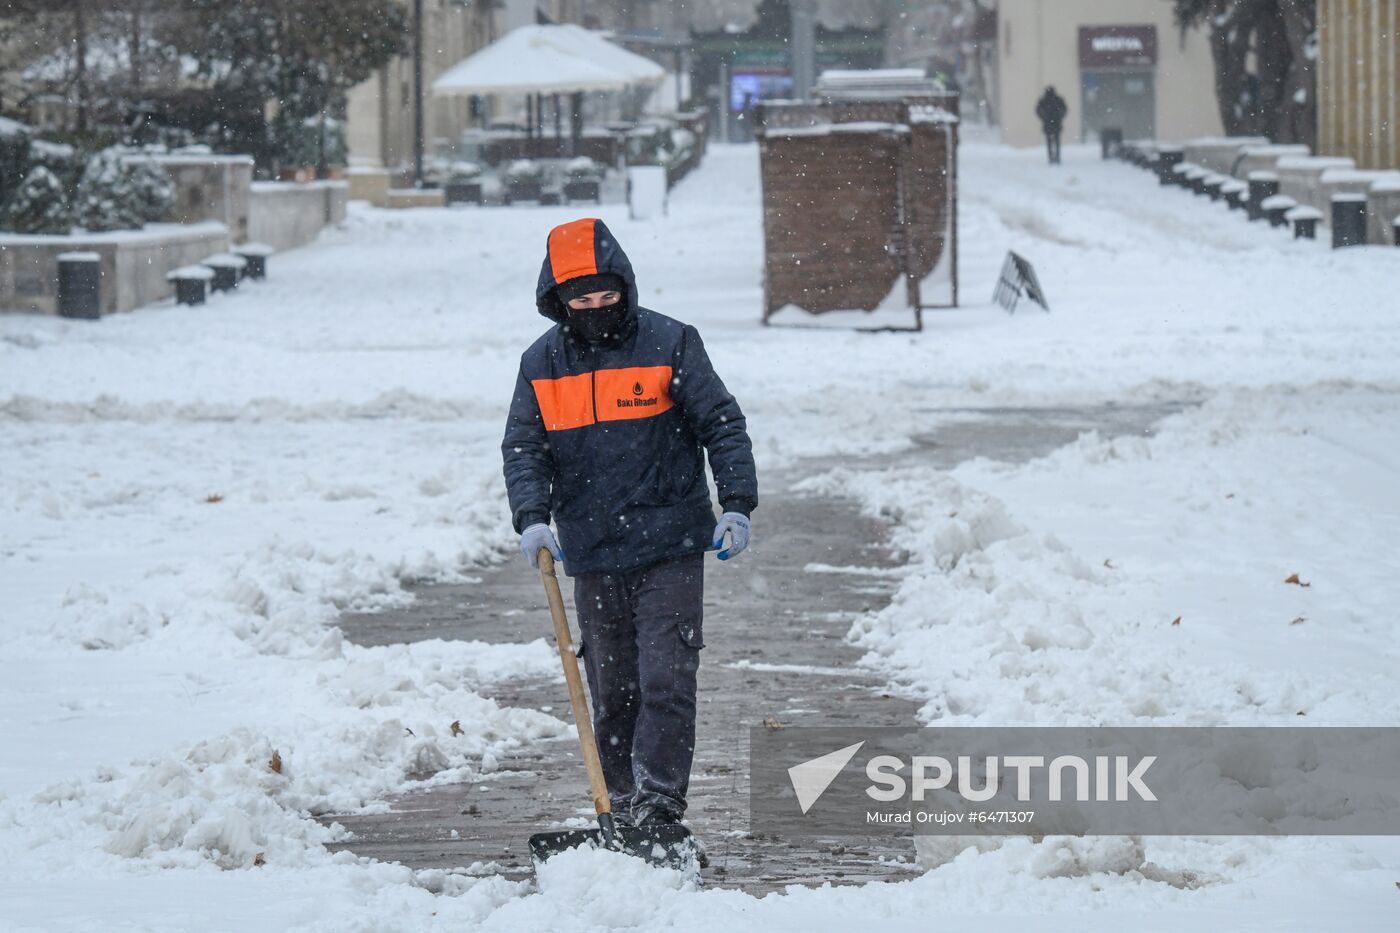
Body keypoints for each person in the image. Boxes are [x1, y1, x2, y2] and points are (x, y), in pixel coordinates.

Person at [502, 217, 758, 827]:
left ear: (625, 286)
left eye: (606, 296)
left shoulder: (670, 342)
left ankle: (660, 802)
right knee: (612, 689)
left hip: (669, 541)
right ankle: (619, 805)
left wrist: (737, 503)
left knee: (666, 678)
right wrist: (532, 518)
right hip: (592, 548)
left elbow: (721, 424)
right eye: (581, 301)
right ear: (558, 301)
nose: (596, 310)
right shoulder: (542, 364)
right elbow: (525, 447)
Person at [1036, 85, 1068, 164]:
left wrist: (1044, 117)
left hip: (1049, 124)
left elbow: (1038, 110)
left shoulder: (1044, 100)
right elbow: (1064, 109)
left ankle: (1052, 157)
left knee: (1050, 142)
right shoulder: (1057, 99)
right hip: (1056, 123)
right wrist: (1060, 116)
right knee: (1056, 142)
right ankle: (1056, 157)